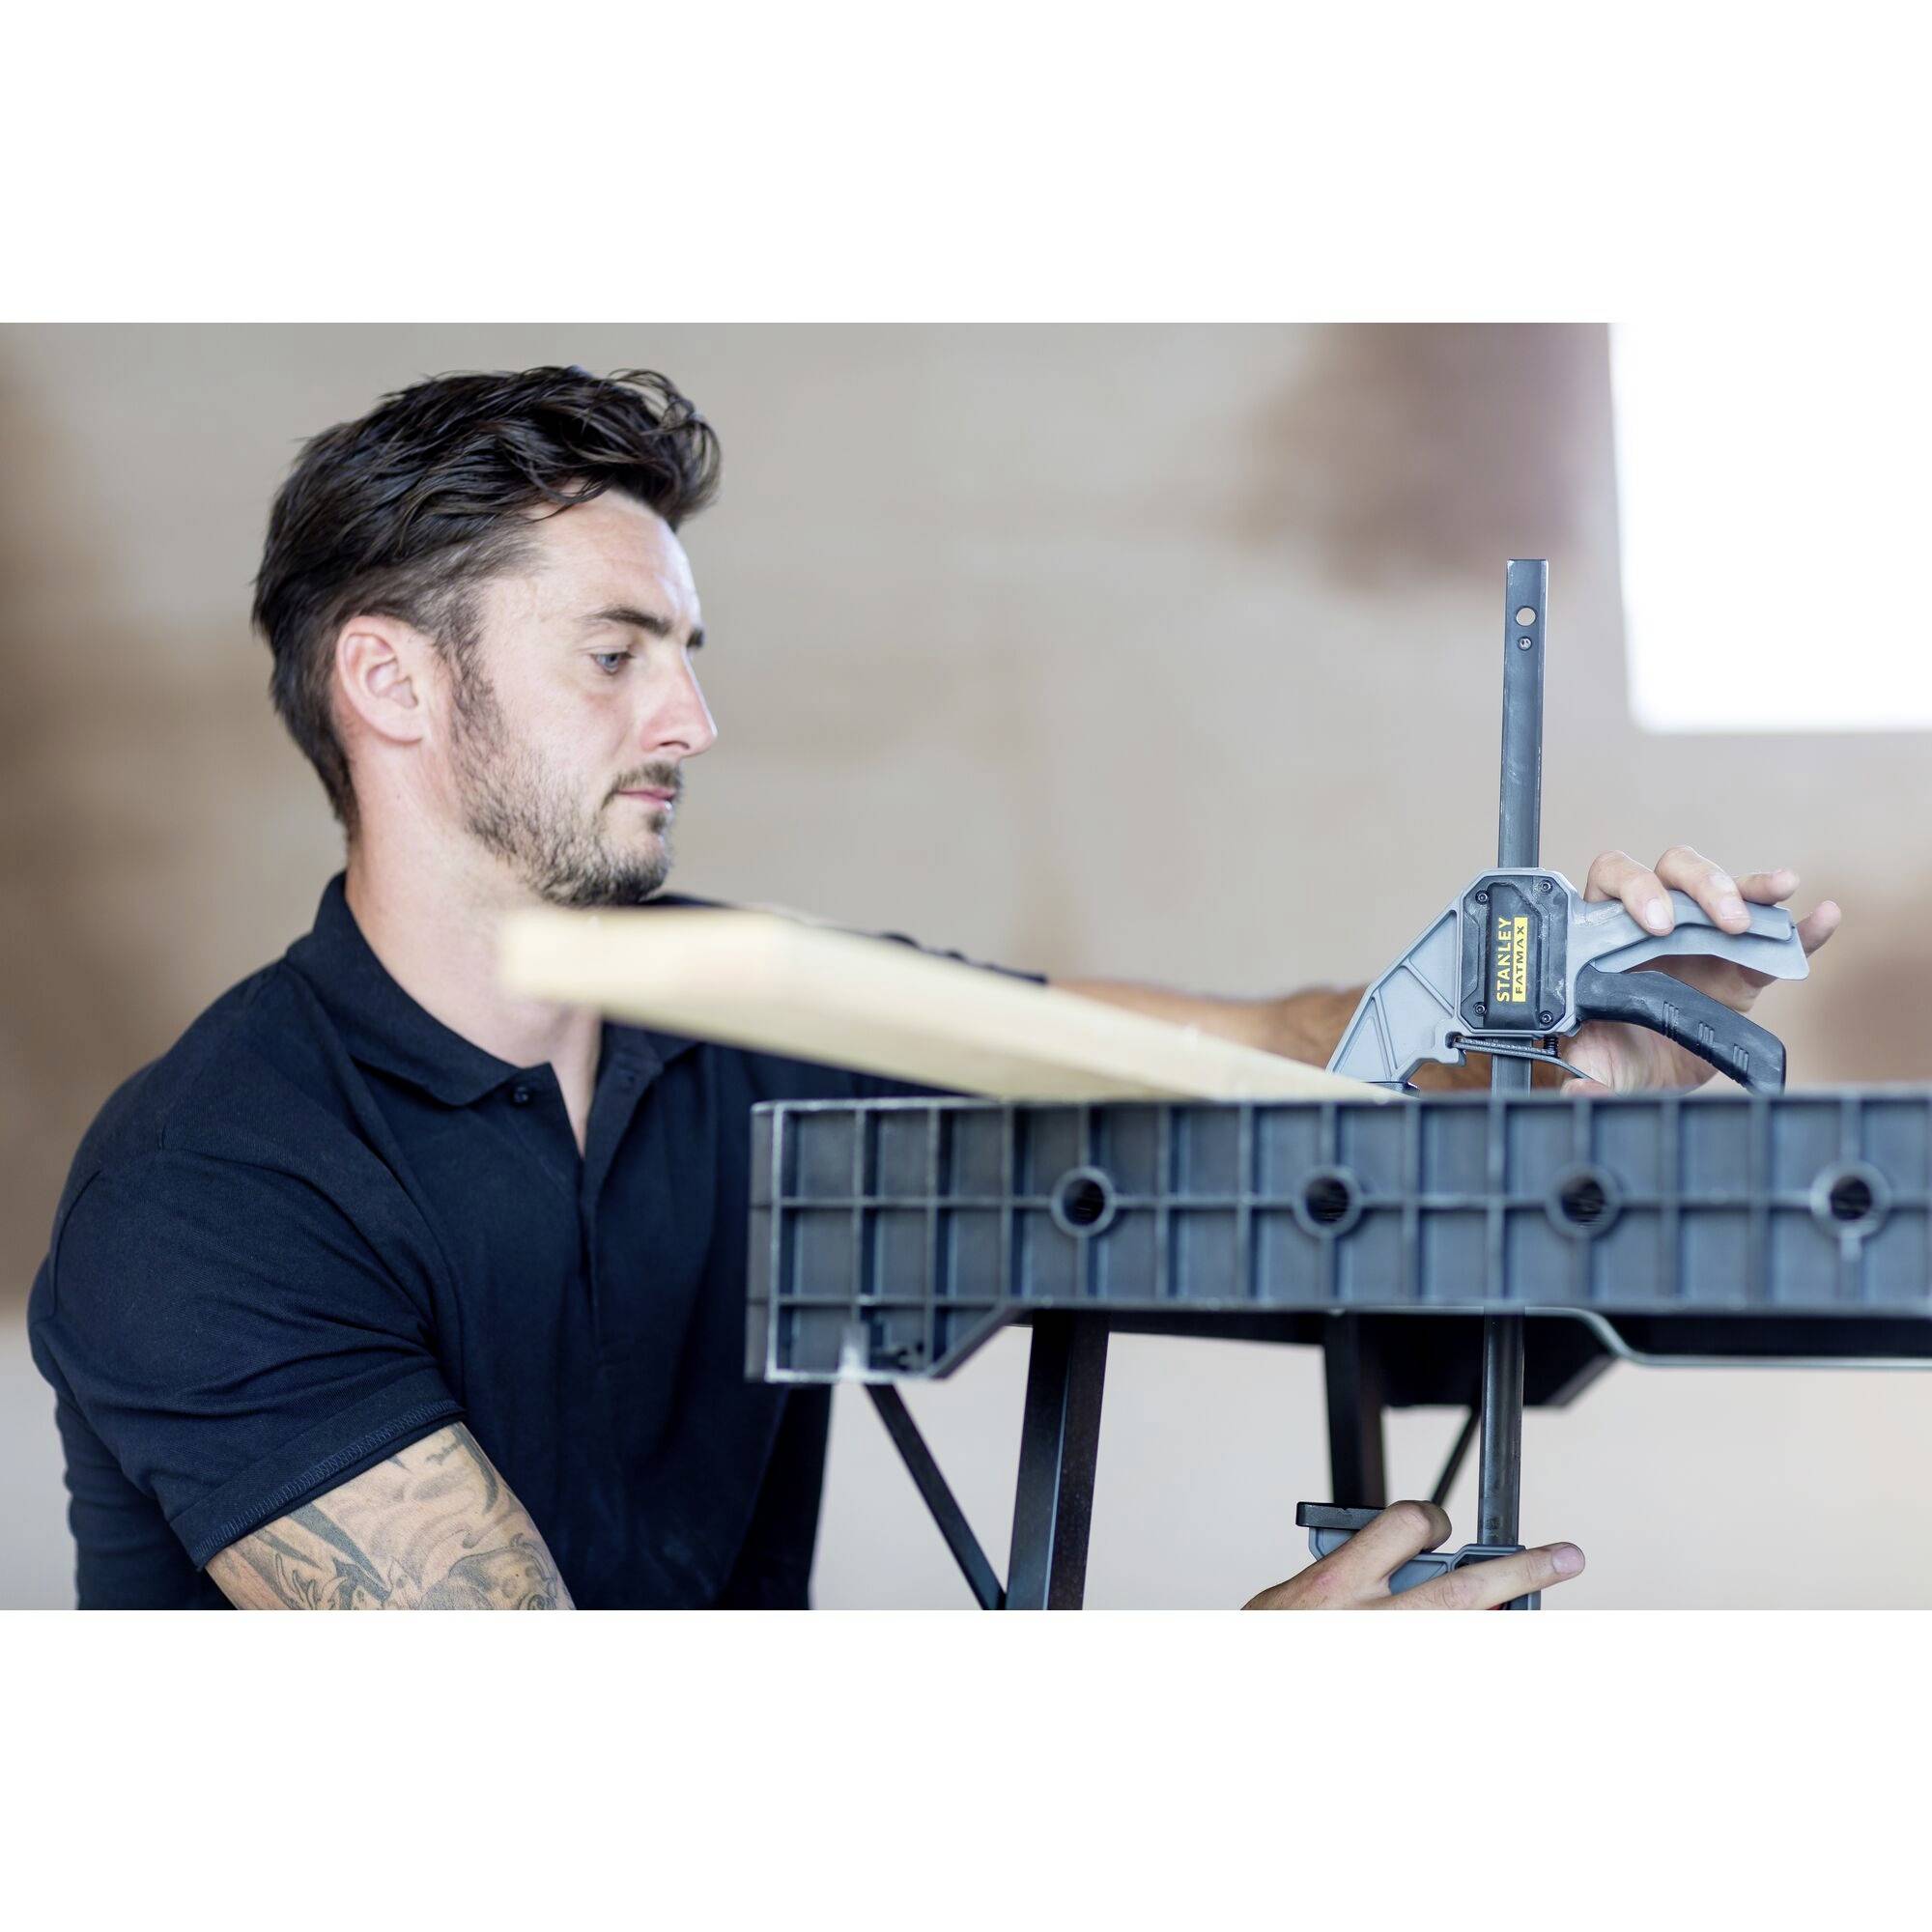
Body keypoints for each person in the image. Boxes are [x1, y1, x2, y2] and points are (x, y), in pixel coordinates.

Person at [25, 367, 1841, 1610]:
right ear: (391, 684)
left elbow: (1264, 1055)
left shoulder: (756, 1011)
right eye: (615, 653)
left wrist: (1565, 1040)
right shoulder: (213, 1193)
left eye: (689, 653)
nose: (694, 720)